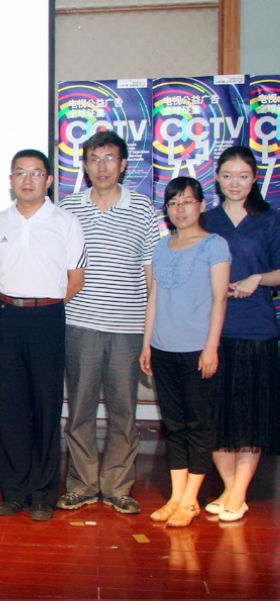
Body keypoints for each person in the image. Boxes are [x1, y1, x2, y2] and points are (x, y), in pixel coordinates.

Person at [58, 130, 160, 515]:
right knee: (80, 410)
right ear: (84, 165)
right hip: (79, 324)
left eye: (110, 158)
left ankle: (118, 486)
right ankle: (82, 485)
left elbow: (151, 275)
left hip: (127, 328)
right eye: (94, 159)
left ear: (123, 164)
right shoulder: (69, 208)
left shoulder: (142, 209)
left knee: (123, 411)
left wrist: (150, 332)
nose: (102, 167)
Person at [0, 150, 87, 521]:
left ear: (48, 180)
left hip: (47, 317)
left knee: (46, 406)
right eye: (20, 173)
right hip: (5, 316)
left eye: (35, 173)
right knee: (11, 405)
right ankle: (14, 491)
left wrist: (44, 304)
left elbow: (76, 278)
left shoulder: (65, 222)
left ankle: (44, 494)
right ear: (10, 180)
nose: (27, 180)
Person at [140, 177, 230, 527]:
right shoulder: (162, 247)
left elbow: (220, 300)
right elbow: (154, 298)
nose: (180, 209)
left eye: (187, 201)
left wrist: (211, 347)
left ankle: (191, 500)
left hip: (197, 350)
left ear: (202, 205)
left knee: (198, 424)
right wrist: (147, 343)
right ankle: (177, 497)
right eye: (174, 203)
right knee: (174, 425)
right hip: (163, 348)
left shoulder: (214, 246)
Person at [203, 145, 280, 522]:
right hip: (211, 333)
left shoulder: (269, 220)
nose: (235, 183)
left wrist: (258, 279)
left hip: (256, 330)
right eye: (228, 175)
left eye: (243, 176)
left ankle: (237, 493)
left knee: (251, 417)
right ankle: (231, 488)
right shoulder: (206, 221)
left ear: (254, 179)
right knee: (216, 417)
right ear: (217, 178)